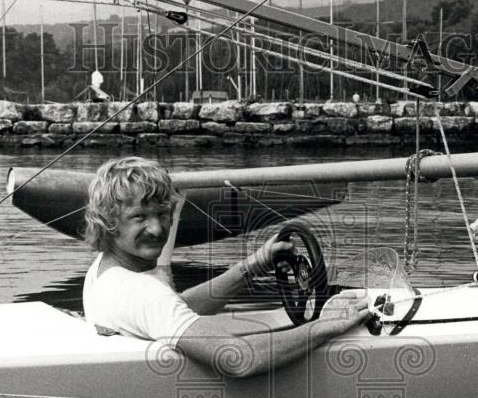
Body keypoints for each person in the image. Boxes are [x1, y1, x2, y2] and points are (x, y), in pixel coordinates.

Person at [83, 157, 370, 377]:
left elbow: (176, 306)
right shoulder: (141, 293)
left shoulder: (103, 271)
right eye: (139, 217)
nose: (157, 228)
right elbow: (238, 359)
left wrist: (253, 266)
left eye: (162, 213)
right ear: (109, 223)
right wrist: (325, 327)